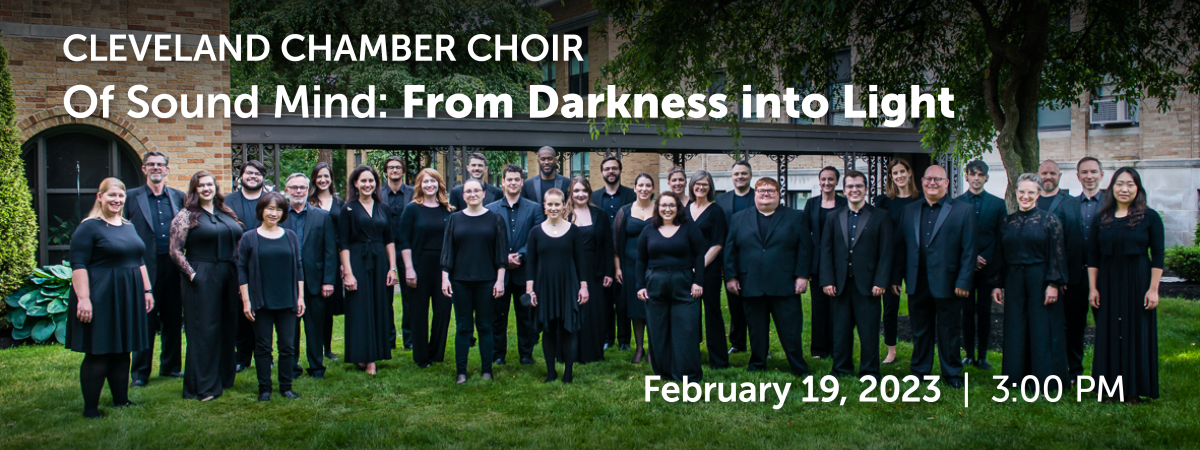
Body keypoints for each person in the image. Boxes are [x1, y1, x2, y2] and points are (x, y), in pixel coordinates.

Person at [68, 177, 154, 418]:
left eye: (120, 196)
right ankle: (91, 409)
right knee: (99, 351)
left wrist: (147, 290)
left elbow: (139, 260)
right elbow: (78, 265)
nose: (117, 200)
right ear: (100, 197)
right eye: (111, 195)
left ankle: (121, 400)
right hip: (100, 295)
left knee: (122, 350)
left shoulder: (128, 225)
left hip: (127, 295)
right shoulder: (89, 226)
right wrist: (83, 299)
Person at [891, 165, 975, 389]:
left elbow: (969, 250)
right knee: (920, 329)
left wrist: (964, 281)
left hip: (948, 282)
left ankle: (952, 372)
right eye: (928, 179)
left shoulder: (962, 210)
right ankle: (920, 371)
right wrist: (895, 278)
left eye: (938, 179)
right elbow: (901, 247)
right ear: (922, 181)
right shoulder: (909, 210)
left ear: (946, 183)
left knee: (949, 330)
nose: (932, 183)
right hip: (917, 280)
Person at [1088, 167, 1163, 402]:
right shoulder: (1101, 218)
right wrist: (1093, 288)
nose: (1124, 189)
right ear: (1112, 187)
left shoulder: (1150, 217)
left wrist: (1153, 289)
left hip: (1138, 280)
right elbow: (1092, 257)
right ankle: (1108, 389)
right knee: (1109, 331)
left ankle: (1133, 389)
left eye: (1130, 184)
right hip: (1108, 280)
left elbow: (1158, 256)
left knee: (1135, 331)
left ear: (1138, 188)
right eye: (1120, 184)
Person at [170, 170, 245, 401]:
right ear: (194, 190)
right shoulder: (186, 215)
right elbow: (174, 250)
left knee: (227, 326)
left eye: (209, 184)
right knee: (204, 330)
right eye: (200, 185)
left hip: (229, 273)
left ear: (215, 187)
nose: (206, 189)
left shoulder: (225, 212)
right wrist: (192, 275)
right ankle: (202, 386)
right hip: (201, 274)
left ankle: (223, 377)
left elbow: (239, 239)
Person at [725, 178, 811, 377]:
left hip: (785, 283)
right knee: (756, 330)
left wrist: (802, 276)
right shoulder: (738, 218)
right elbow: (730, 250)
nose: (766, 194)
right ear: (755, 193)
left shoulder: (795, 217)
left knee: (790, 329)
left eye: (771, 191)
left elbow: (805, 249)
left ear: (779, 194)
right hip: (751, 282)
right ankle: (757, 363)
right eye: (761, 190)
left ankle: (798, 366)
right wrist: (731, 277)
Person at [988, 174, 1068, 387]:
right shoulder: (1007, 221)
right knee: (1015, 327)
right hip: (1014, 280)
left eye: (1031, 192)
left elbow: (1057, 255)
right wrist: (997, 283)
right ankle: (1015, 379)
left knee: (1041, 328)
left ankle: (1044, 381)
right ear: (1016, 193)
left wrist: (1054, 283)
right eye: (1022, 192)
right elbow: (999, 254)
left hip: (1041, 280)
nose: (1025, 196)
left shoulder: (1049, 220)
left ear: (1038, 194)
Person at [819, 170, 892, 380]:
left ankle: (869, 371)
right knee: (840, 330)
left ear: (866, 189)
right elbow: (826, 250)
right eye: (850, 186)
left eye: (859, 186)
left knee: (868, 331)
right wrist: (827, 279)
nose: (854, 190)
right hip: (840, 284)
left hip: (869, 284)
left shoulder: (880, 216)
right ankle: (841, 368)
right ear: (844, 190)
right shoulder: (834, 216)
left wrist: (881, 280)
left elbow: (886, 252)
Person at [236, 192, 306, 401]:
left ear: (283, 212)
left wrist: (300, 297)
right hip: (261, 300)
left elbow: (299, 267)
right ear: (262, 211)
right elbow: (242, 270)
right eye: (270, 208)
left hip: (287, 300)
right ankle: (264, 389)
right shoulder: (249, 237)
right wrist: (246, 300)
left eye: (278, 209)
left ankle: (286, 387)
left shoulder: (290, 236)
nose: (273, 213)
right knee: (263, 347)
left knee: (287, 346)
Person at [125, 152, 185, 387]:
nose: (156, 168)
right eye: (151, 164)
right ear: (144, 169)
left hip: (172, 266)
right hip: (144, 267)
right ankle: (140, 373)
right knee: (145, 320)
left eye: (160, 165)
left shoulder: (178, 197)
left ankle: (171, 367)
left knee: (172, 319)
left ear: (167, 170)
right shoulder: (131, 197)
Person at [442, 178, 509, 384]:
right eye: (468, 191)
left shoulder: (495, 219)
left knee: (485, 326)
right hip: (460, 281)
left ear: (483, 194)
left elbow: (501, 254)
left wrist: (500, 281)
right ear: (463, 196)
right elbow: (447, 252)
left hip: (487, 281)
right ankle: (461, 372)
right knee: (463, 327)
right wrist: (445, 278)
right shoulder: (454, 219)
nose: (472, 194)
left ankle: (487, 370)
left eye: (476, 191)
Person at [637, 192, 706, 382]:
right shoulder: (648, 229)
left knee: (686, 331)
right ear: (657, 207)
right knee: (658, 332)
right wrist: (640, 285)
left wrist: (698, 282)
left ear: (678, 208)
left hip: (683, 284)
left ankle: (687, 375)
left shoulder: (689, 227)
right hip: (655, 284)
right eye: (663, 205)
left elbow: (700, 254)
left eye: (672, 206)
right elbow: (641, 259)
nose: (667, 209)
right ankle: (664, 373)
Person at [339, 165, 399, 376]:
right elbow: (343, 243)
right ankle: (364, 357)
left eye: (371, 181)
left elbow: (390, 240)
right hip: (357, 260)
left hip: (381, 261)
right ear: (355, 183)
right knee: (360, 308)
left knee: (380, 306)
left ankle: (374, 354)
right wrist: (348, 272)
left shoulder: (383, 208)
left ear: (376, 183)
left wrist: (392, 268)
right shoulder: (347, 209)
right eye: (363, 181)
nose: (367, 185)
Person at [526, 188, 589, 382]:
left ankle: (568, 373)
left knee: (568, 328)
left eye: (557, 204)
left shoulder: (573, 231)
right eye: (550, 204)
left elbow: (580, 261)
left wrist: (583, 286)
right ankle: (551, 372)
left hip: (567, 284)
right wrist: (530, 290)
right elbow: (531, 263)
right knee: (549, 328)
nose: (554, 208)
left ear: (564, 206)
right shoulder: (535, 232)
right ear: (544, 206)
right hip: (545, 286)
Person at [486, 165, 545, 366]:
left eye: (516, 179)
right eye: (509, 179)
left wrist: (520, 255)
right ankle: (497, 355)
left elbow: (537, 237)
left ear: (522, 182)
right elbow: (489, 241)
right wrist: (503, 257)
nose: (512, 182)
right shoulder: (491, 209)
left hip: (525, 271)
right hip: (499, 274)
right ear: (502, 182)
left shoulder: (535, 208)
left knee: (526, 315)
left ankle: (526, 355)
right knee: (497, 316)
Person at [281, 173, 337, 380]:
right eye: (293, 187)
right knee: (290, 330)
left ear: (308, 190)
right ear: (286, 191)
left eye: (302, 187)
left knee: (315, 328)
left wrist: (328, 281)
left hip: (315, 281)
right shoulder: (279, 216)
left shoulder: (321, 216)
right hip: (287, 283)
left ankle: (316, 368)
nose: (298, 191)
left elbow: (330, 251)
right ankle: (292, 368)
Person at [399, 169, 455, 368]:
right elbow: (403, 240)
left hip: (444, 267)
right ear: (419, 185)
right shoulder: (412, 209)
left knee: (443, 310)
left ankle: (436, 353)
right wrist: (409, 269)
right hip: (419, 265)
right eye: (425, 182)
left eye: (433, 181)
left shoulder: (448, 210)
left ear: (439, 183)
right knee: (418, 312)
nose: (429, 185)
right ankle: (421, 356)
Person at [1037, 159, 1086, 378]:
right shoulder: (1030, 200)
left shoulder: (1071, 204)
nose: (1048, 177)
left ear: (1059, 176)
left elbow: (1073, 244)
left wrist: (1061, 278)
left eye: (1052, 173)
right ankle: (1047, 370)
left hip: (1067, 279)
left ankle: (1074, 371)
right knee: (1045, 326)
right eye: (1044, 173)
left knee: (1073, 327)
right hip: (1037, 276)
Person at [957, 160, 1007, 370]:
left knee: (986, 313)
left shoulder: (997, 204)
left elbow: (1000, 236)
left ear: (986, 177)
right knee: (966, 312)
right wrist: (971, 258)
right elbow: (955, 237)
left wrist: (984, 257)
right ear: (966, 176)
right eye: (973, 174)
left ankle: (983, 356)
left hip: (988, 267)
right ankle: (968, 354)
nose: (976, 178)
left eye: (981, 174)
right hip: (966, 268)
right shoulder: (957, 204)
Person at [873, 157, 919, 365]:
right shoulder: (883, 202)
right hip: (890, 259)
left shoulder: (920, 200)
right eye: (895, 173)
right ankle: (891, 350)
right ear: (890, 178)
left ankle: (920, 349)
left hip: (914, 259)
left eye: (902, 171)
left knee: (917, 306)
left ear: (909, 173)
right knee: (890, 307)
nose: (899, 176)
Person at [224, 161, 267, 373]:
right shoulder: (227, 201)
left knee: (262, 311)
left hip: (263, 264)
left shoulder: (269, 200)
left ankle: (264, 354)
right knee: (240, 312)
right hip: (235, 263)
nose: (253, 176)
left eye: (257, 173)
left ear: (263, 178)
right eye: (249, 173)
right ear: (241, 176)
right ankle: (242, 357)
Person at [686, 170, 730, 369]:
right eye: (698, 184)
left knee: (712, 312)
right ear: (692, 186)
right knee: (689, 312)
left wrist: (700, 266)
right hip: (686, 270)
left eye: (705, 184)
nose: (701, 187)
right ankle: (691, 353)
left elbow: (718, 243)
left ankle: (718, 360)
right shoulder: (685, 209)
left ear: (710, 187)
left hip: (709, 269)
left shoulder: (716, 211)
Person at [591, 156, 636, 351]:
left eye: (614, 168)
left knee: (623, 298)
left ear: (620, 171)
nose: (611, 171)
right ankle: (607, 337)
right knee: (605, 299)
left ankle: (624, 340)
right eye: (607, 169)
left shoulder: (631, 196)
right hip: (601, 254)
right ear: (601, 173)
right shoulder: (593, 197)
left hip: (625, 252)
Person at [803, 166, 847, 359]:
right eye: (823, 179)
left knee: (838, 307)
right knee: (819, 307)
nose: (827, 183)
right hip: (817, 262)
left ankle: (836, 348)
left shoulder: (845, 204)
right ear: (819, 181)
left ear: (837, 182)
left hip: (841, 262)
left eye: (831, 179)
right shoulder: (811, 204)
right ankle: (819, 349)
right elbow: (804, 235)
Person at [613, 173, 657, 363]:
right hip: (630, 268)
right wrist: (617, 268)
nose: (644, 189)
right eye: (641, 185)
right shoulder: (625, 211)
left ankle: (653, 350)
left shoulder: (660, 210)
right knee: (636, 309)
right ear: (635, 188)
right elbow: (615, 243)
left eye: (648, 185)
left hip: (655, 267)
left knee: (654, 308)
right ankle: (639, 348)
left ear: (653, 189)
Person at [570, 177, 614, 363]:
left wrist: (609, 271)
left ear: (589, 193)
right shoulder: (564, 214)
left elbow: (607, 245)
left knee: (593, 311)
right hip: (569, 269)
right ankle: (570, 351)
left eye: (584, 191)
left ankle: (593, 352)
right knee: (572, 309)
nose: (580, 194)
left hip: (595, 269)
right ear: (571, 193)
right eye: (576, 190)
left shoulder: (600, 214)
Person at [715, 160, 755, 355]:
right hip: (729, 258)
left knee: (756, 305)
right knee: (735, 304)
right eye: (736, 174)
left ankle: (759, 343)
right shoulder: (721, 201)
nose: (740, 177)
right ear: (732, 177)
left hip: (755, 258)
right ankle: (738, 344)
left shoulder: (759, 196)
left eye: (744, 173)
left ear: (750, 176)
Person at [309, 162, 345, 362]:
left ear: (331, 178)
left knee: (328, 307)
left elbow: (343, 234)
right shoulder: (309, 202)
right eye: (319, 176)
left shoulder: (340, 204)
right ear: (314, 179)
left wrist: (341, 262)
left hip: (334, 259)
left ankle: (328, 349)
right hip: (313, 258)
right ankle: (311, 348)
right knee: (314, 306)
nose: (323, 180)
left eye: (326, 176)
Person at [1074, 156, 1106, 379]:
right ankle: (1074, 372)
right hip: (1075, 277)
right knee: (1075, 328)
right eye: (1084, 172)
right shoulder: (1069, 205)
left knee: (1105, 327)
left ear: (1101, 175)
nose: (1089, 176)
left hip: (1104, 277)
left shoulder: (1112, 206)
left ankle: (1103, 374)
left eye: (1093, 172)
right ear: (1078, 177)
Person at [379, 156, 415, 351]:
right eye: (391, 168)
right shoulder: (378, 194)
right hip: (385, 251)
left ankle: (409, 339)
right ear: (386, 171)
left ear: (403, 171)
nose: (394, 170)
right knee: (385, 298)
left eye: (398, 167)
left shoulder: (413, 193)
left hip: (408, 249)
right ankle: (389, 338)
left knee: (410, 297)